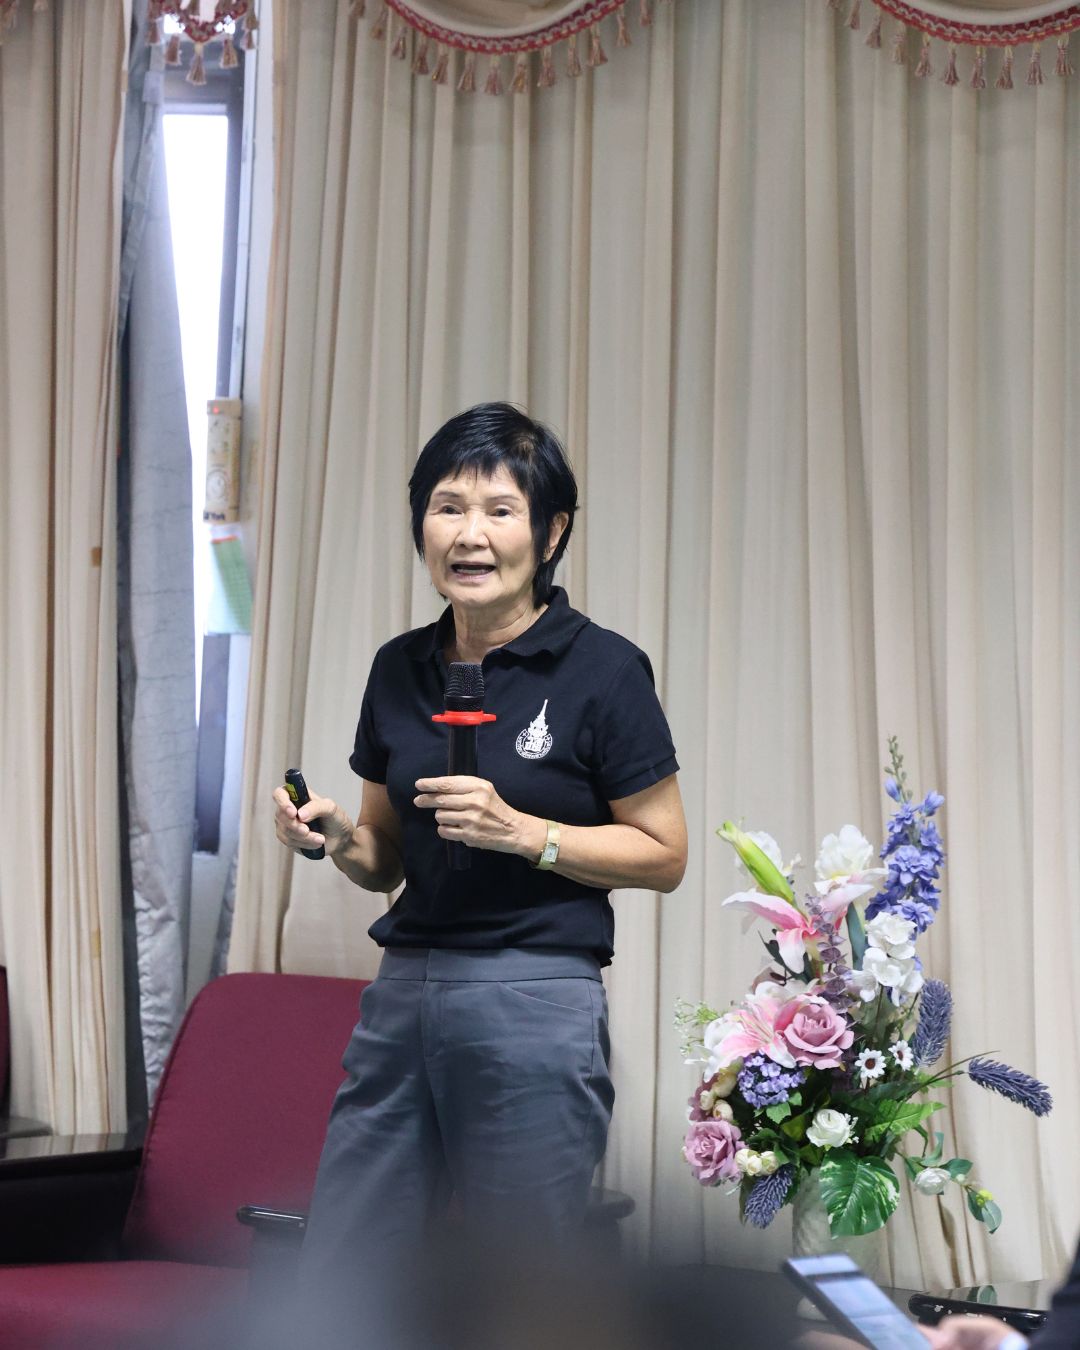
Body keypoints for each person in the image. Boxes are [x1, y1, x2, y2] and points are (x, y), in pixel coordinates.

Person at [272, 403, 687, 1296]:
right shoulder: (399, 667)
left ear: (551, 532)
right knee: (344, 1274)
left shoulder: (605, 670)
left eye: (500, 510)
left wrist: (524, 834)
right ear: (421, 523)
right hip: (402, 993)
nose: (470, 534)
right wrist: (334, 836)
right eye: (447, 507)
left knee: (517, 1290)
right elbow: (385, 857)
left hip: (534, 993)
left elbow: (665, 855)